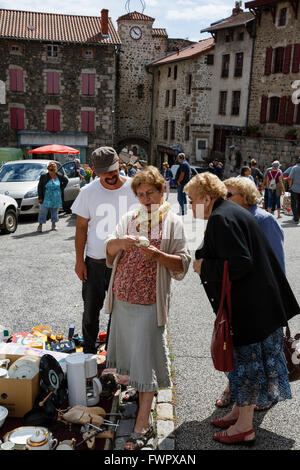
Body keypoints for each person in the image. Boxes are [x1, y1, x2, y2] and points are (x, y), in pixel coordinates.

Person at [184, 172, 299, 446]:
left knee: (247, 366)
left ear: (207, 198)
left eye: (191, 200)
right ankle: (238, 414)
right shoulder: (230, 211)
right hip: (259, 306)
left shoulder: (221, 218)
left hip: (250, 310)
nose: (189, 206)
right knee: (243, 365)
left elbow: (240, 263)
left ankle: (244, 428)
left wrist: (204, 267)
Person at [105, 166, 191, 450]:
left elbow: (182, 264)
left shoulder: (173, 222)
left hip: (148, 302)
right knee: (132, 355)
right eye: (140, 194)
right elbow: (109, 250)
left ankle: (143, 421)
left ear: (162, 190)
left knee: (146, 361)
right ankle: (139, 393)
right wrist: (122, 242)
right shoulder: (130, 218)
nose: (145, 199)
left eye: (150, 193)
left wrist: (158, 255)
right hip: (122, 298)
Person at [215, 176, 286, 409]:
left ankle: (266, 395)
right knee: (236, 347)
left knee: (265, 351)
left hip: (262, 297)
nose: (224, 199)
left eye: (229, 194)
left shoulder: (264, 220)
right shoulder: (230, 218)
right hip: (237, 295)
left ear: (245, 196)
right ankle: (234, 388)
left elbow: (276, 263)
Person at [71, 147, 138, 354]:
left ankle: (113, 354)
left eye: (112, 169)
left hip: (125, 263)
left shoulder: (134, 188)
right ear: (94, 170)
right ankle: (89, 353)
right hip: (95, 263)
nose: (109, 175)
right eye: (103, 172)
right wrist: (79, 261)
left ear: (119, 163)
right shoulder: (87, 192)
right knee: (91, 311)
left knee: (119, 313)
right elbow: (81, 228)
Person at [37, 162, 68, 232]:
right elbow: (39, 187)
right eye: (49, 170)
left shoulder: (59, 176)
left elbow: (66, 180)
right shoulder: (44, 176)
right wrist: (40, 197)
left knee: (54, 212)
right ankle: (40, 225)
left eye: (52, 170)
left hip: (56, 198)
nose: (50, 172)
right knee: (43, 211)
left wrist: (61, 188)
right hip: (46, 198)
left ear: (55, 170)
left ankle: (53, 225)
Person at [288, 156, 300, 223]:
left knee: (293, 203)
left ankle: (296, 217)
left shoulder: (294, 168)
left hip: (294, 189)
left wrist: (290, 186)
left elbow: (290, 178)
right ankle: (298, 216)